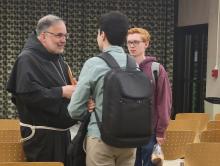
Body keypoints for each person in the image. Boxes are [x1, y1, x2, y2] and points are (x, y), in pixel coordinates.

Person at [6, 14, 82, 166]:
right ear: (43, 36)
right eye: (59, 35)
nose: (63, 40)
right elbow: (27, 95)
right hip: (42, 139)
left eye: (65, 35)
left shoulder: (58, 58)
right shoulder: (27, 59)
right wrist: (61, 91)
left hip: (61, 135)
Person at [68, 11, 136, 166]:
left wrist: (90, 108)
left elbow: (74, 110)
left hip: (101, 137)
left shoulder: (94, 63)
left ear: (102, 34)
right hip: (130, 140)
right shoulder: (134, 65)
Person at [127, 27, 172, 166]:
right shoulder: (123, 68)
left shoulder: (156, 69)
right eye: (129, 42)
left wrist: (160, 131)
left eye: (136, 42)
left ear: (146, 44)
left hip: (150, 131)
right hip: (128, 130)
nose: (132, 46)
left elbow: (164, 102)